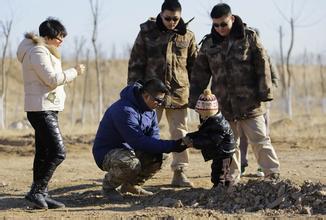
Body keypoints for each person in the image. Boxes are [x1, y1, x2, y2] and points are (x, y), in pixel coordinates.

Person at [189, 3, 280, 183]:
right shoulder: (209, 43)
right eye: (216, 25)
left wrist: (265, 93)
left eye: (223, 24)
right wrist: (195, 103)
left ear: (232, 18)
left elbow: (262, 65)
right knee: (229, 143)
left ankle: (272, 175)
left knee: (260, 139)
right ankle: (231, 179)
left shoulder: (249, 37)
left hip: (249, 102)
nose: (220, 28)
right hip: (223, 104)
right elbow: (199, 74)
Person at [127, 0, 198, 187]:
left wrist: (198, 92)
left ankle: (180, 172)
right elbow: (136, 62)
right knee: (144, 132)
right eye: (168, 18)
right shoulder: (147, 33)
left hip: (178, 94)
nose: (171, 22)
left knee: (180, 132)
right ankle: (137, 172)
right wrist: (133, 90)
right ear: (161, 14)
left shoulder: (188, 36)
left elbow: (195, 67)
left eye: (175, 18)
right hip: (150, 94)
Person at [16, 18, 85, 209]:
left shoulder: (43, 51)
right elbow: (51, 80)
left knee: (44, 151)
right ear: (47, 37)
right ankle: (36, 192)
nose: (61, 41)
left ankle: (41, 193)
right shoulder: (38, 52)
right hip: (41, 109)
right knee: (58, 151)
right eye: (58, 37)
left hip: (46, 107)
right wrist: (74, 72)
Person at [92, 79, 191, 200]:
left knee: (161, 155)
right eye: (158, 100)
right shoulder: (125, 110)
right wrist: (174, 145)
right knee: (131, 163)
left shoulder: (151, 111)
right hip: (107, 153)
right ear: (146, 96)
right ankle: (108, 188)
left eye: (162, 100)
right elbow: (138, 141)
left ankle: (131, 186)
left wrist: (174, 146)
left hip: (130, 151)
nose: (160, 104)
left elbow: (153, 138)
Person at [240, 48, 280, 177]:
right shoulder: (238, 56)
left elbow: (275, 79)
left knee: (262, 136)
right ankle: (241, 164)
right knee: (241, 137)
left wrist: (264, 92)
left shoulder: (265, 56)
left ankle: (264, 168)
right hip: (242, 105)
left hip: (262, 105)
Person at [185, 89, 236, 187]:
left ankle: (223, 187)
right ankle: (220, 185)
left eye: (202, 114)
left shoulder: (219, 124)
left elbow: (211, 141)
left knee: (222, 171)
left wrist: (194, 143)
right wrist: (190, 136)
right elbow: (202, 133)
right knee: (216, 169)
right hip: (219, 151)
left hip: (224, 152)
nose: (200, 116)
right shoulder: (210, 120)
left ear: (208, 112)